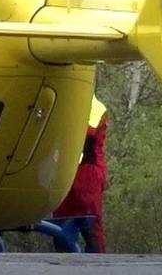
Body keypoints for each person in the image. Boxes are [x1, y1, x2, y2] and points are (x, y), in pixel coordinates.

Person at [53, 95, 109, 252]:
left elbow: (88, 135)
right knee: (61, 226)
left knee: (90, 225)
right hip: (65, 171)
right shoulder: (62, 101)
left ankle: (98, 266)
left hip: (87, 172)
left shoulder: (96, 109)